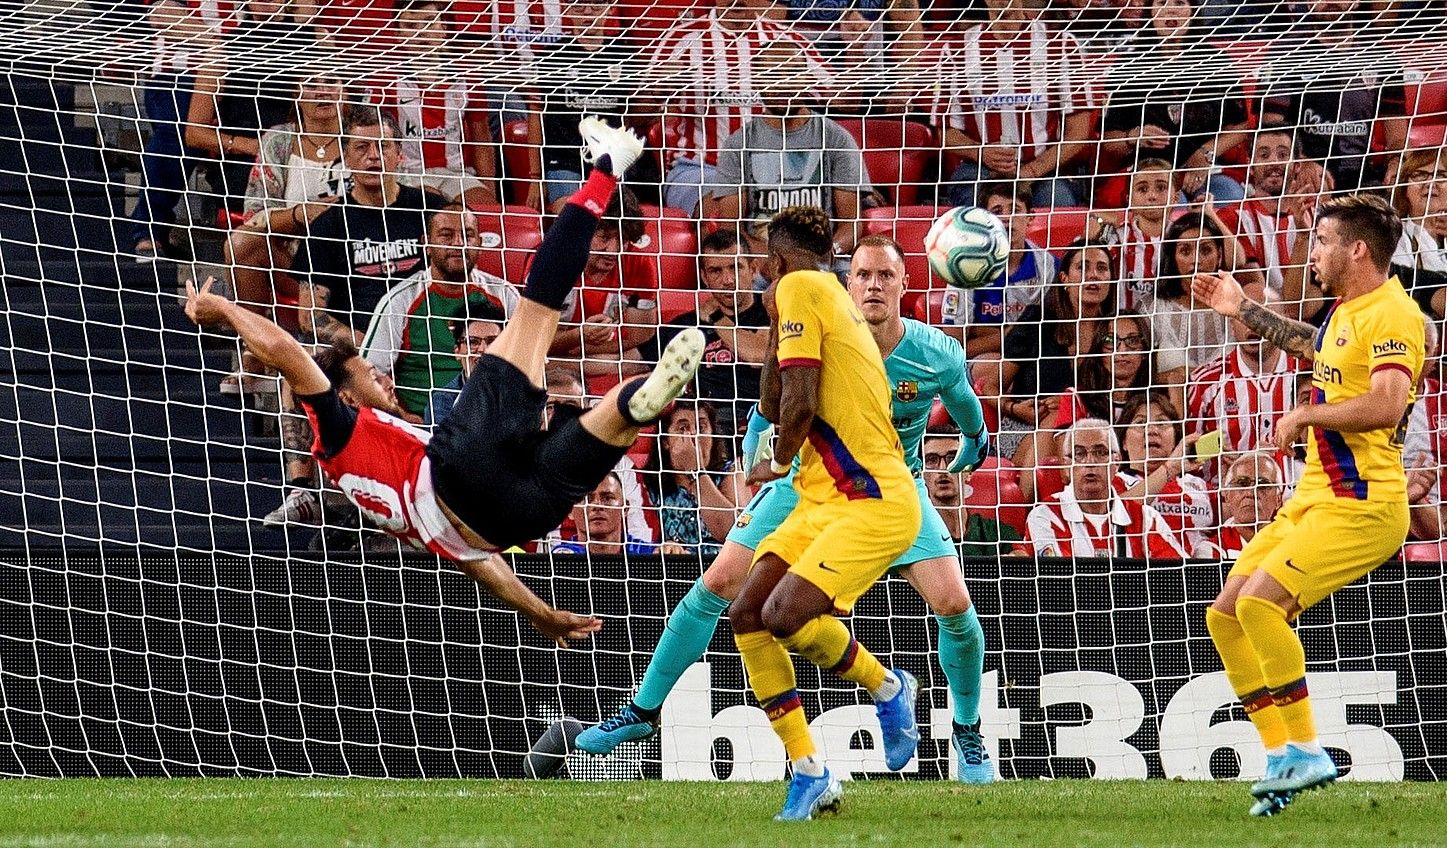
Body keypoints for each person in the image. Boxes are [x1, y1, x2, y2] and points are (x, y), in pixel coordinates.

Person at [183, 119, 706, 640]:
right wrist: (222, 307)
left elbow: (475, 559)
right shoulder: (336, 429)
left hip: (511, 522)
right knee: (535, 316)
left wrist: (543, 615)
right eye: (368, 373)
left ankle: (643, 400)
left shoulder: (359, 464)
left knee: (607, 422)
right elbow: (284, 349)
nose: (380, 379)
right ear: (342, 394)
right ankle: (606, 169)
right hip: (455, 473)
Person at [576, 233, 997, 792]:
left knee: (954, 603)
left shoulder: (936, 352)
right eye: (864, 275)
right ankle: (642, 712)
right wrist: (758, 467)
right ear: (848, 285)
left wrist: (973, 446)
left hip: (894, 486)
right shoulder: (820, 328)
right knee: (719, 582)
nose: (874, 285)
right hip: (803, 481)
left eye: (886, 276)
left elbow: (968, 410)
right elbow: (767, 410)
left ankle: (966, 730)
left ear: (905, 285)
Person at [1193, 193, 1425, 816]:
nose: (1311, 252)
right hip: (1315, 497)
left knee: (1259, 605)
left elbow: (1386, 403)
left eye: (1320, 242)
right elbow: (1310, 345)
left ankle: (1310, 751)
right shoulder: (1348, 312)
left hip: (1363, 504)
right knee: (1225, 615)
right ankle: (1278, 760)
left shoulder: (1395, 316)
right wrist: (1246, 310)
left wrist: (1305, 413)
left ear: (1355, 249)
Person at [648, 0, 834, 214]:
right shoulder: (682, 39)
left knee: (804, 214)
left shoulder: (786, 41)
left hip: (777, 170)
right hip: (701, 168)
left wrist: (856, 46)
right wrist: (658, 89)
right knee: (723, 211)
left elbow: (846, 102)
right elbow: (636, 114)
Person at [709, 41, 868, 260]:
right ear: (756, 81)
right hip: (762, 263)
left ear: (807, 78)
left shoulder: (836, 138)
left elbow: (852, 224)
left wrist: (828, 254)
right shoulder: (737, 145)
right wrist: (776, 261)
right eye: (772, 74)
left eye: (791, 73)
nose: (783, 83)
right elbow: (731, 229)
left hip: (824, 261)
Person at [933, 0, 1097, 209]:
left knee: (1055, 208)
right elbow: (946, 132)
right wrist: (980, 153)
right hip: (980, 168)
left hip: (1045, 169)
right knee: (979, 215)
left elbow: (1079, 132)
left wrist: (1032, 171)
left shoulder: (1061, 44)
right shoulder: (957, 49)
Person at [360, 205, 520, 416]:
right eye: (446, 235)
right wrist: (403, 417)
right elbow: (366, 377)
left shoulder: (505, 295)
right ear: (426, 243)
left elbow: (529, 364)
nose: (458, 243)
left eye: (468, 235)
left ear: (480, 243)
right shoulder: (400, 301)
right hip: (419, 427)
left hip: (493, 419)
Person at [1099, 0, 1251, 202]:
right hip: (1147, 173)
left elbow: (1241, 125)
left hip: (1205, 171)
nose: (1170, 9)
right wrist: (1132, 137)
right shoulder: (1127, 68)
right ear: (1149, 12)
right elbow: (1108, 141)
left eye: (1179, 2)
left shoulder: (1218, 63)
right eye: (1161, 2)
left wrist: (1205, 153)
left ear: (1193, 11)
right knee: (1171, 204)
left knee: (1228, 195)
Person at [370, 0, 498, 207]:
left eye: (429, 23)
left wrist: (489, 190)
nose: (421, 33)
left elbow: (481, 138)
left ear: (443, 29)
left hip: (458, 175)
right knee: (431, 204)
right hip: (407, 174)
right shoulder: (385, 81)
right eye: (411, 26)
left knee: (484, 208)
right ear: (398, 34)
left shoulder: (468, 77)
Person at [642, 230, 770, 433]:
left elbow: (757, 354)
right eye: (716, 271)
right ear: (704, 276)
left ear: (753, 269)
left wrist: (716, 318)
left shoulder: (771, 312)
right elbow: (627, 361)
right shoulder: (686, 324)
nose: (727, 280)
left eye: (735, 267)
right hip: (708, 425)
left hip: (762, 420)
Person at [1024, 418, 1186, 558]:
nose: (1090, 462)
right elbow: (1059, 584)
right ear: (1066, 465)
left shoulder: (1146, 519)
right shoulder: (1046, 516)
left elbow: (1179, 578)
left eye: (1100, 452)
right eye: (1079, 453)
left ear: (1116, 462)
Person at [1186, 279, 1300, 472]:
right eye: (1242, 317)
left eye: (1263, 317)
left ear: (1283, 321)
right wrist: (1215, 455)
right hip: (1225, 497)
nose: (1252, 326)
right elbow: (1188, 456)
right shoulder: (1205, 382)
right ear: (1231, 323)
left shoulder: (1307, 373)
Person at [942, 182, 1055, 358]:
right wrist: (1015, 334)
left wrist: (980, 332)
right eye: (997, 211)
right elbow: (952, 351)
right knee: (994, 363)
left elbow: (1052, 333)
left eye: (1015, 210)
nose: (1007, 218)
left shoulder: (1048, 265)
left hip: (1032, 358)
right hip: (982, 360)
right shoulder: (965, 268)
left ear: (1030, 217)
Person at [1114, 391, 1214, 552]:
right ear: (1124, 441)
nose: (1152, 430)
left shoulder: (1199, 485)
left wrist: (1233, 473)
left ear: (1176, 437)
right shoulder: (1115, 483)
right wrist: (1170, 468)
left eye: (1161, 423)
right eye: (1141, 423)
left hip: (1198, 573)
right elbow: (1115, 512)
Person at [652, 402, 746, 557]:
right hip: (674, 568)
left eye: (701, 427)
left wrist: (696, 472)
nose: (694, 436)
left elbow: (737, 533)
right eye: (683, 428)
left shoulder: (732, 471)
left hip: (722, 567)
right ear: (665, 442)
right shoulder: (651, 483)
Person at [922, 427, 1023, 557]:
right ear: (921, 474)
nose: (943, 469)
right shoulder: (914, 537)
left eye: (953, 458)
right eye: (931, 460)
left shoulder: (997, 533)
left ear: (969, 472)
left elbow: (1023, 562)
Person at [1195, 451, 1285, 559]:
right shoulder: (1211, 550)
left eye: (1262, 485)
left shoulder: (1292, 543)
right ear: (1227, 495)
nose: (1251, 492)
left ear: (1278, 499)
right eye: (1242, 483)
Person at [551, 473, 659, 556]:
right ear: (570, 511)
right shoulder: (561, 560)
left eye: (607, 498)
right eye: (586, 499)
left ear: (625, 508)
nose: (597, 506)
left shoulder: (651, 555)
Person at [425, 314, 501, 426]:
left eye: (492, 341)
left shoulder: (525, 394)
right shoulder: (441, 402)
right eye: (473, 342)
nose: (483, 349)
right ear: (457, 352)